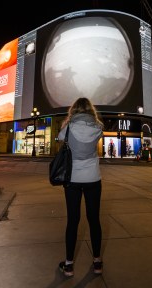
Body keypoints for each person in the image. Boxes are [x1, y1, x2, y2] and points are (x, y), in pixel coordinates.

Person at [58, 97, 104, 277]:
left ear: (74, 110)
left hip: (72, 179)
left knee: (73, 220)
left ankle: (68, 265)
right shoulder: (98, 128)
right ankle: (97, 262)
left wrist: (67, 123)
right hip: (93, 178)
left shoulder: (67, 129)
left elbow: (60, 140)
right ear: (90, 110)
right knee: (94, 220)